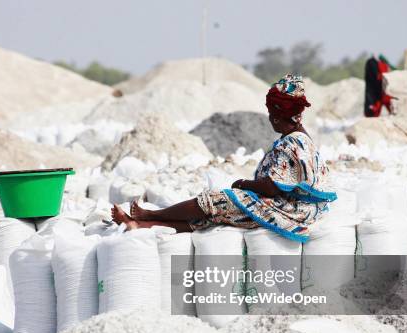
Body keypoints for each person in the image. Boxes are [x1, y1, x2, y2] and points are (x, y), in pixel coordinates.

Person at [111, 74, 337, 243]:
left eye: (271, 115)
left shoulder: (292, 143)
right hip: (293, 207)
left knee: (218, 199)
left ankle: (150, 214)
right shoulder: (303, 139)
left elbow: (271, 187)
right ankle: (138, 225)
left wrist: (243, 184)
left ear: (277, 117)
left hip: (288, 211)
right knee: (212, 216)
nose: (270, 119)